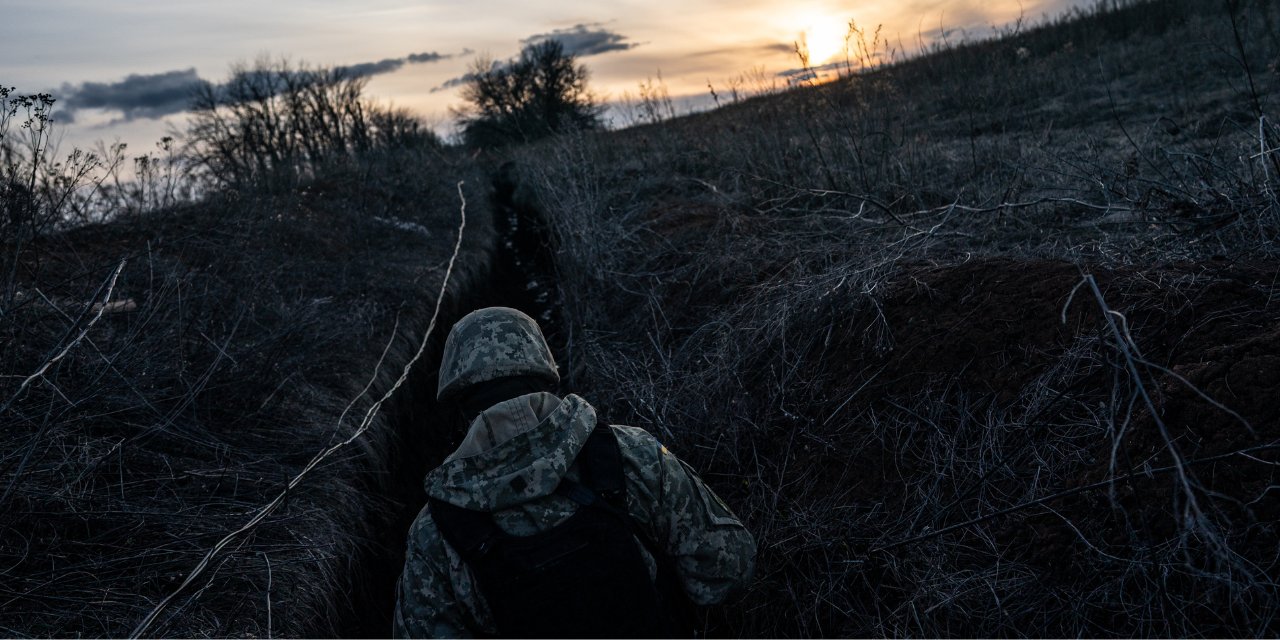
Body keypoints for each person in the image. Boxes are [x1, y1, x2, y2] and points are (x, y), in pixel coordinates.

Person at [393, 306, 756, 638]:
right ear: (546, 374)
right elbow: (728, 570)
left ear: (457, 404)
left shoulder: (435, 531)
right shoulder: (631, 454)